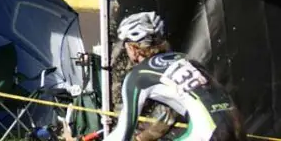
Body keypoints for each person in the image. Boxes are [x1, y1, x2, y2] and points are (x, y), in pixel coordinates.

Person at [66, 11, 242, 141]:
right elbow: (170, 115)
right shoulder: (185, 59)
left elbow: (123, 133)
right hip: (237, 127)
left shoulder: (139, 76)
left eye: (125, 45)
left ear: (133, 47)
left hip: (209, 133)